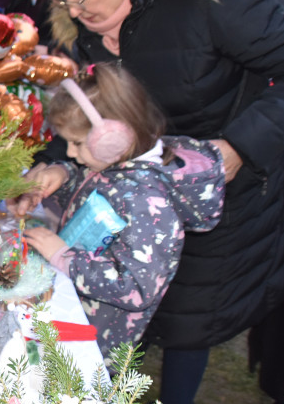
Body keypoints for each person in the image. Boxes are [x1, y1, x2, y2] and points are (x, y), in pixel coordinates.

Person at [31, 0, 284, 404]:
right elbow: (92, 106)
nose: (75, 12)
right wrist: (61, 161)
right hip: (130, 188)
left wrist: (241, 145)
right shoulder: (85, 21)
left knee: (188, 315)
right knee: (121, 298)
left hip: (216, 185)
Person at [13, 64, 225, 359]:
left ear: (112, 139)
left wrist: (64, 257)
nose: (71, 153)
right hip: (70, 311)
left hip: (91, 345)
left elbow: (137, 288)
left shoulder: (149, 204)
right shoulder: (117, 168)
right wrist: (62, 176)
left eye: (76, 143)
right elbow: (97, 202)